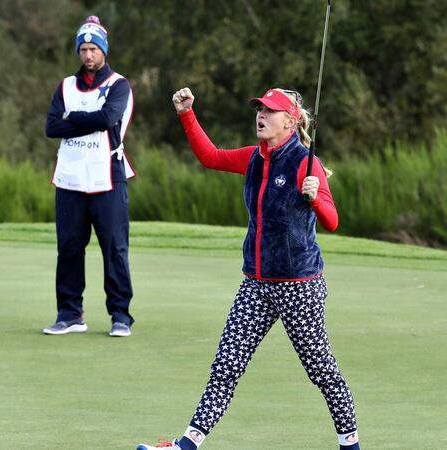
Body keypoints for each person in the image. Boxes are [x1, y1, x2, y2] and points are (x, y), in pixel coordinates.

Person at [137, 87, 360, 449]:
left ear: (289, 121)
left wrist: (315, 196)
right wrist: (186, 114)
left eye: (269, 111)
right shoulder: (254, 158)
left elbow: (333, 221)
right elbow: (210, 157)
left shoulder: (306, 162)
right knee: (225, 365)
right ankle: (186, 444)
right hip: (255, 284)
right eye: (259, 109)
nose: (260, 115)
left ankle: (350, 444)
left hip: (298, 286)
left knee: (321, 370)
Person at [43, 16, 136, 337]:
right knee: (68, 247)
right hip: (70, 179)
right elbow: (51, 127)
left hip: (107, 178)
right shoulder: (66, 86)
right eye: (83, 49)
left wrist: (73, 116)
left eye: (93, 48)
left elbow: (109, 117)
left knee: (114, 248)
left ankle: (120, 315)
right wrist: (86, 119)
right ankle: (70, 313)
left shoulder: (119, 85)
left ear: (103, 51)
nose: (87, 55)